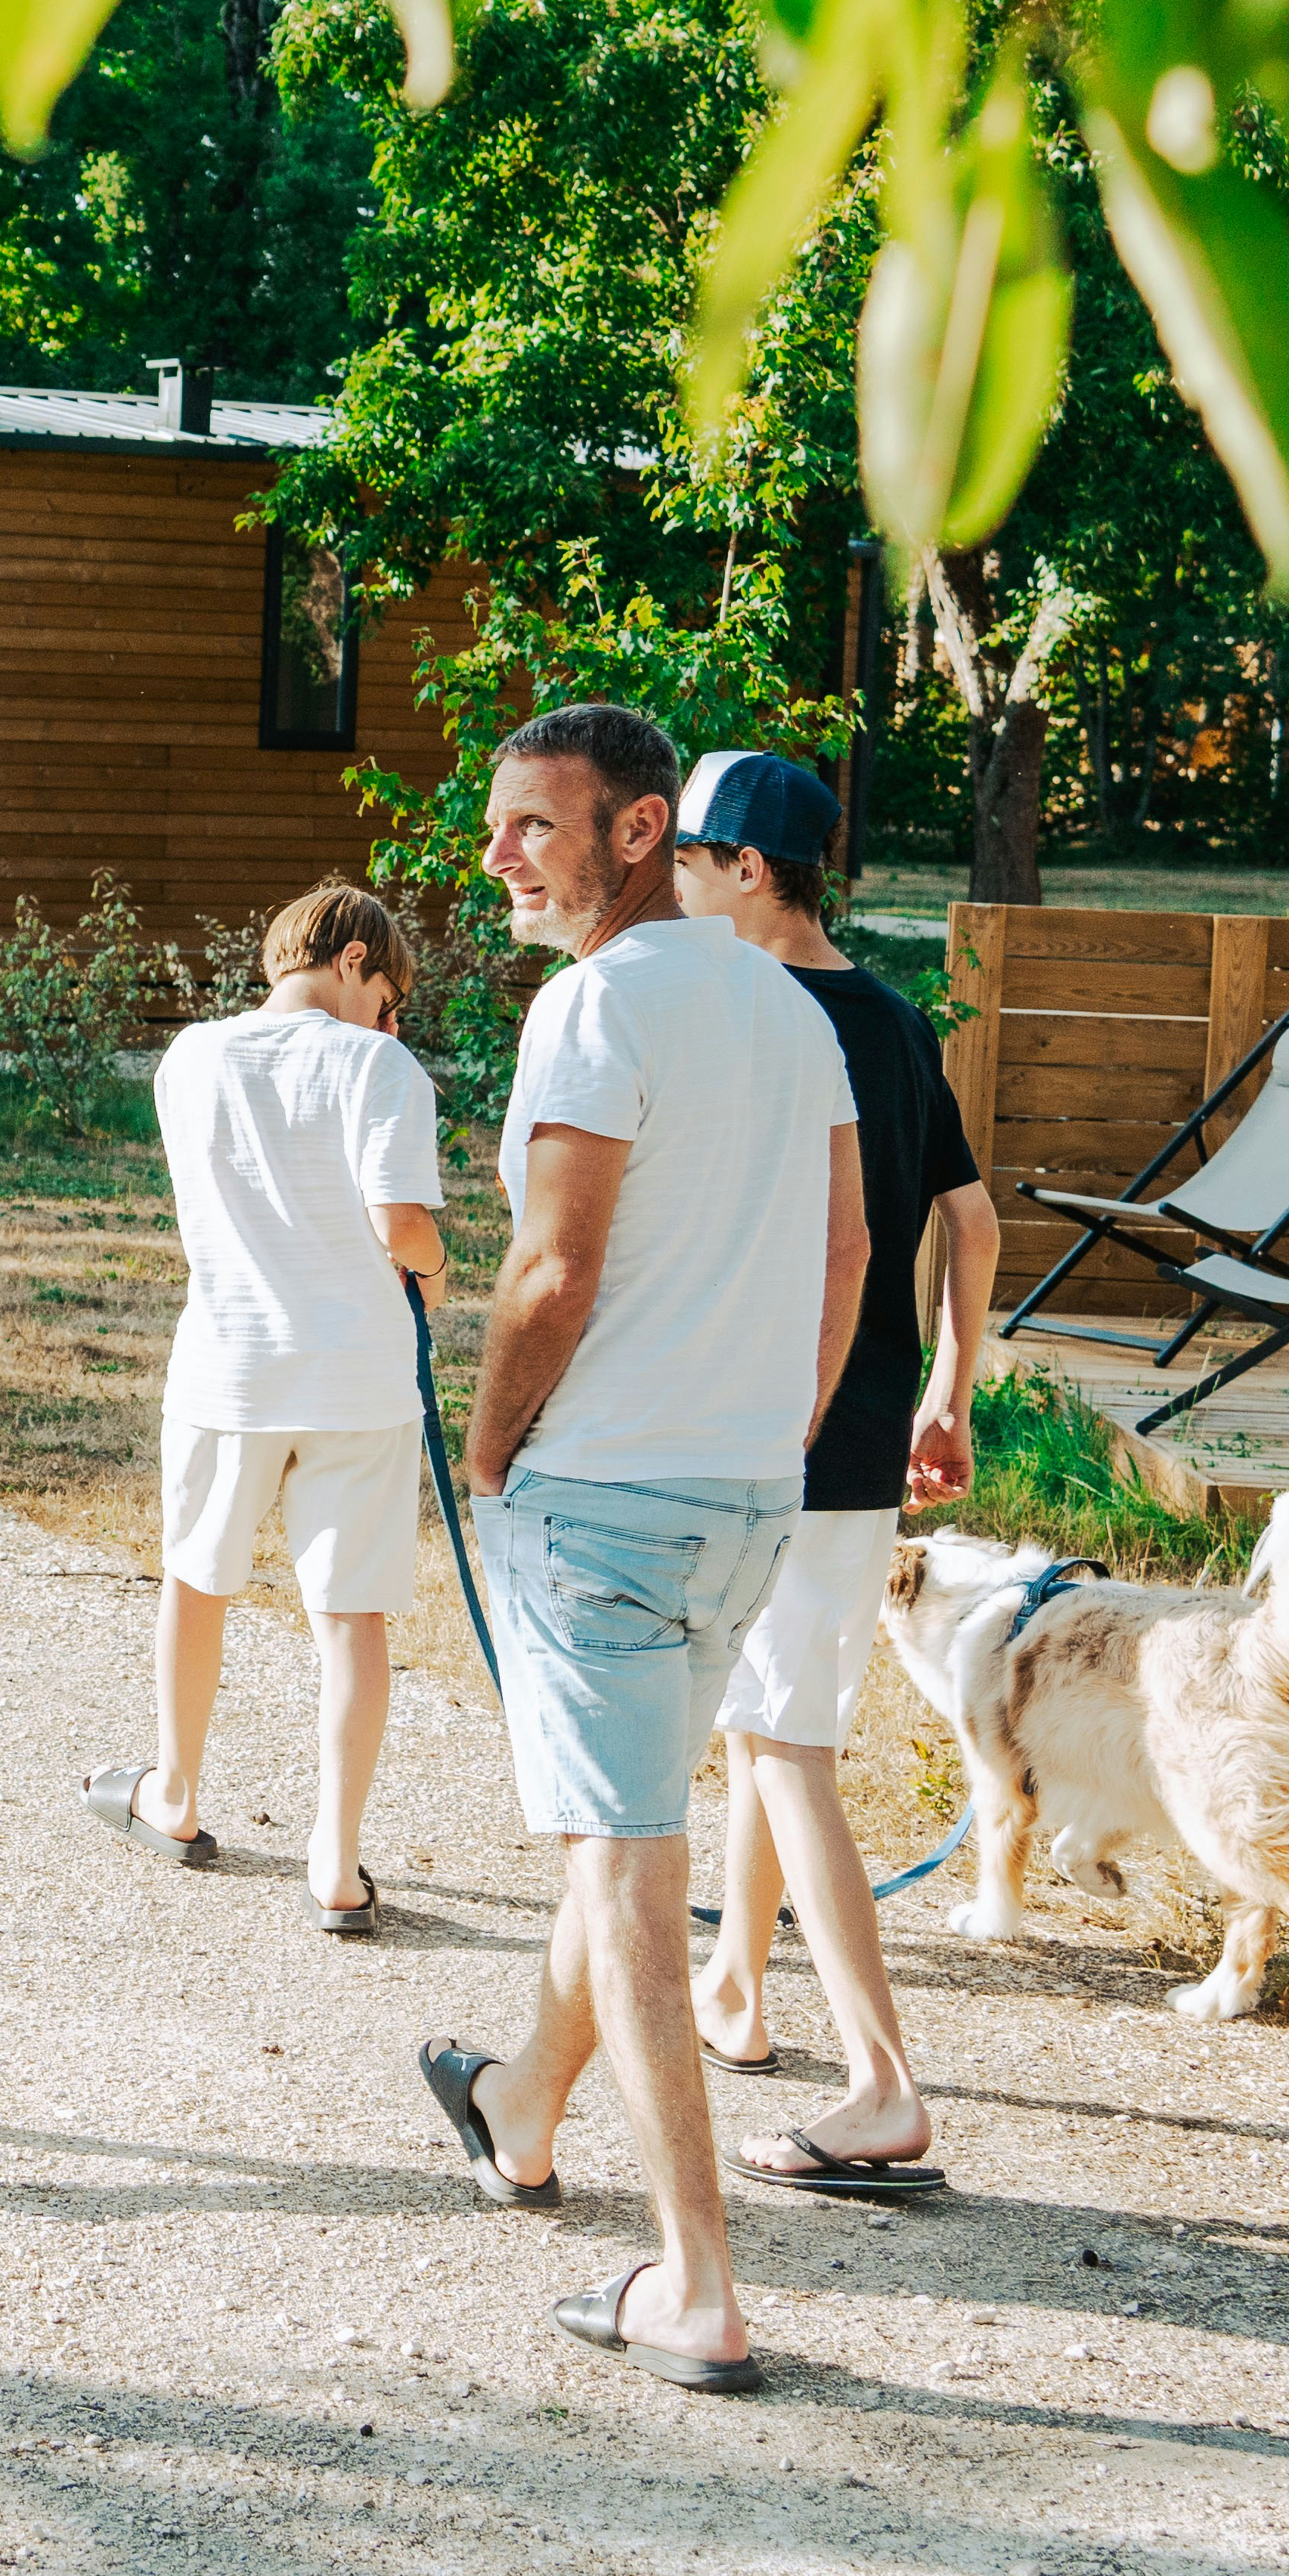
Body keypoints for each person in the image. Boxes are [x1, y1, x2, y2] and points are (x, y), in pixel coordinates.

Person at [416, 703, 865, 2394]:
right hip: (748, 1495)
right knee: (630, 1832)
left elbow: (552, 1268)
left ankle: (696, 2285)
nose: (500, 857)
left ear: (636, 826)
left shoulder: (591, 1006)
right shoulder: (783, 996)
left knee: (627, 1869)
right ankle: (521, 2103)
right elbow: (846, 1256)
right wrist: (786, 1432)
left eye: (534, 824)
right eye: (499, 825)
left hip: (602, 1492)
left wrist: (484, 1448)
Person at [668, 750, 991, 2200]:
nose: (667, 878)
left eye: (685, 855)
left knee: (787, 1750)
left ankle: (883, 2089)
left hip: (761, 1426)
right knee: (770, 1724)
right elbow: (970, 1224)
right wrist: (948, 1390)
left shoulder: (748, 1015)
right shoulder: (896, 1017)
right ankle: (735, 1988)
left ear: (746, 869)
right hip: (861, 1433)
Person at [83, 884, 448, 1929]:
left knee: (197, 1584)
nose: (391, 1020)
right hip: (355, 1378)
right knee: (349, 1618)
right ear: (354, 962)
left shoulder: (189, 1056)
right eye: (391, 998)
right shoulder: (379, 1065)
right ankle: (335, 1863)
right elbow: (399, 1220)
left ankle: (176, 1793)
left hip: (228, 1366)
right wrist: (434, 1262)